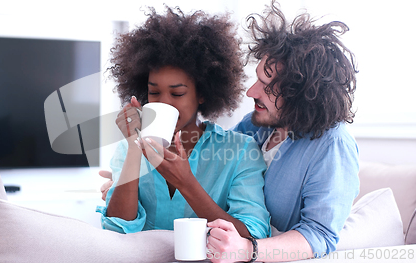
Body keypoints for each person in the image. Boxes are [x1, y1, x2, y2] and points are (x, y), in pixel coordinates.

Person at [101, 1, 360, 262]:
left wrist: (249, 250)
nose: (251, 92)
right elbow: (214, 156)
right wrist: (126, 179)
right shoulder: (255, 126)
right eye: (257, 78)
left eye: (268, 86)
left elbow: (320, 235)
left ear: (300, 94)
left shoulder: (332, 145)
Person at [96, 6, 271, 240]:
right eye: (154, 93)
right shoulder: (128, 148)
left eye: (177, 94)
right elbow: (116, 229)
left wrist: (186, 183)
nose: (165, 104)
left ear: (202, 94)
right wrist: (133, 149)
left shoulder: (238, 151)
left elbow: (252, 236)